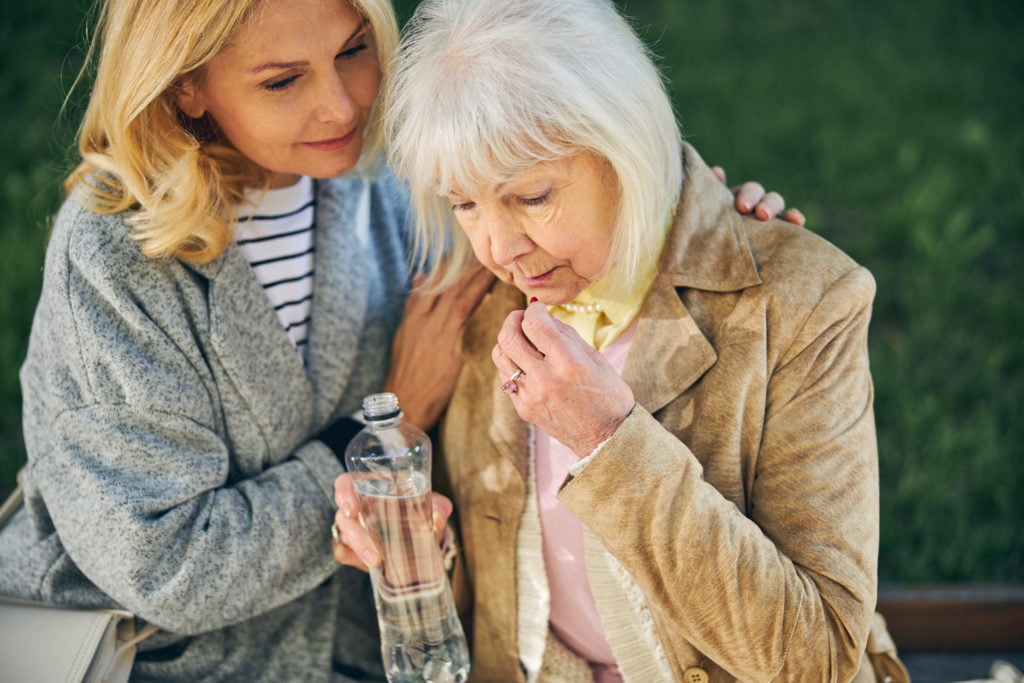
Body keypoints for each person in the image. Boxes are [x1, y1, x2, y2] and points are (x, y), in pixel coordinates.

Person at [0, 0, 793, 680]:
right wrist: (396, 414)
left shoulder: (394, 179)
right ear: (189, 86)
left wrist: (699, 231)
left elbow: (559, 220)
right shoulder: (114, 254)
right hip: (166, 658)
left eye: (353, 51)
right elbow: (167, 564)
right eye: (282, 81)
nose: (343, 106)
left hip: (384, 652)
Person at [333, 0, 890, 681]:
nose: (499, 248)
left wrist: (610, 439)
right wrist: (427, 552)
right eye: (465, 203)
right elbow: (499, 609)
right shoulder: (475, 300)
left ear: (627, 148)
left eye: (533, 196)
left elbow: (819, 656)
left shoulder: (804, 301)